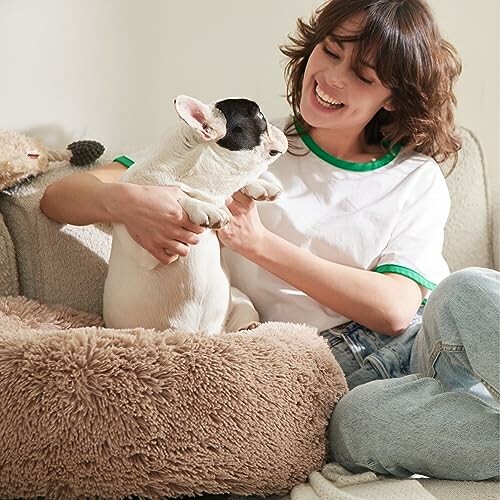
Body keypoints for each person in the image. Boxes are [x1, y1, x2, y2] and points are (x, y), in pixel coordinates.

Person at [40, 0, 499, 481]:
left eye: (363, 75)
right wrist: (127, 203)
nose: (332, 77)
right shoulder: (236, 144)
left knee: (468, 290)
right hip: (332, 377)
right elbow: (58, 197)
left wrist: (256, 243)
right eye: (330, 50)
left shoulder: (413, 176)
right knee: (357, 426)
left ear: (392, 97)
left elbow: (394, 309)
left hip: (423, 345)